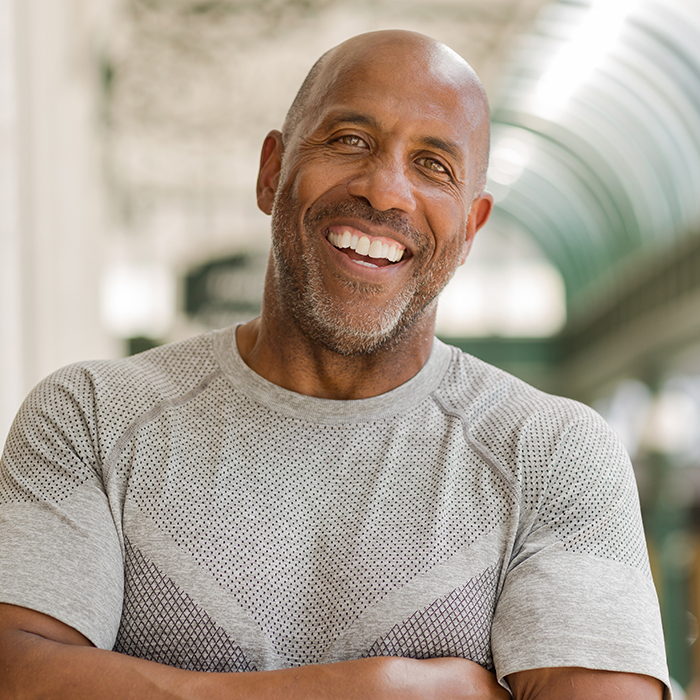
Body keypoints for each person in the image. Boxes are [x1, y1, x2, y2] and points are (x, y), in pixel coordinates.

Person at [0, 29, 669, 699]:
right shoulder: (89, 416)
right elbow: (15, 675)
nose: (384, 191)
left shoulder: (552, 453)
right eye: (350, 140)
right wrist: (381, 690)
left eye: (434, 165)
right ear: (271, 171)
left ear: (470, 230)